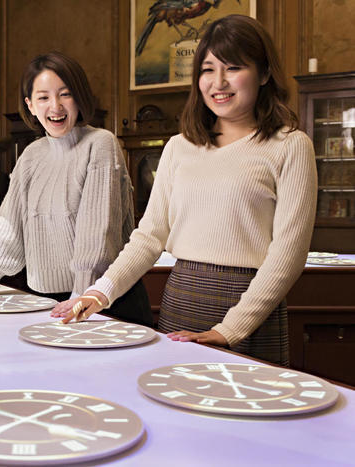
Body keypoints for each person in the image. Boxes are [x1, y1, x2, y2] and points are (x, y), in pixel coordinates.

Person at [51, 15, 317, 366]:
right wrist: (100, 292)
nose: (218, 82)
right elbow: (149, 237)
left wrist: (231, 329)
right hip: (182, 297)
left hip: (251, 307)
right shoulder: (179, 146)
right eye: (207, 70)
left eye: (233, 67)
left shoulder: (290, 146)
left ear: (264, 74)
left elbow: (288, 253)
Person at [0, 51, 152, 326]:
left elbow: (98, 231)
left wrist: (82, 293)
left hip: (101, 301)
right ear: (30, 105)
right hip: (49, 301)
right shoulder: (31, 155)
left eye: (65, 94)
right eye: (43, 97)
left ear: (79, 97)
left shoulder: (100, 144)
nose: (55, 107)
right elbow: (9, 226)